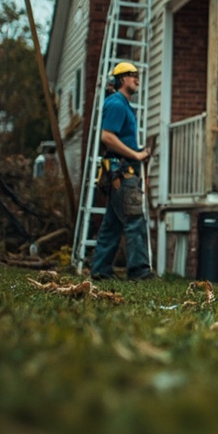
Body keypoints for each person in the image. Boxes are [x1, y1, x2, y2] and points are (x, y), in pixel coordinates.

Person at [90, 61, 154, 281]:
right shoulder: (117, 103)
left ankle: (100, 271)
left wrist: (138, 152)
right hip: (120, 171)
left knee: (113, 223)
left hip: (120, 170)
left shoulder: (125, 105)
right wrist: (135, 155)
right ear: (121, 79)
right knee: (134, 218)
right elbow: (107, 137)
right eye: (132, 74)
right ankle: (140, 272)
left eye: (138, 74)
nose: (137, 78)